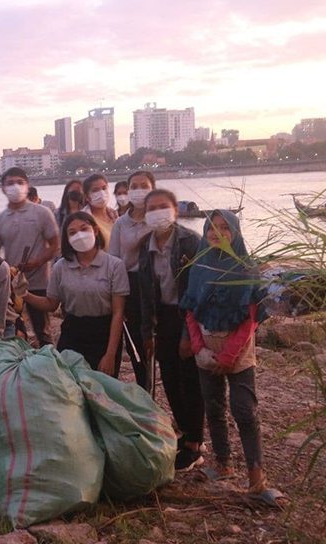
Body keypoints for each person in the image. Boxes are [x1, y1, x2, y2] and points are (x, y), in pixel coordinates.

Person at [180, 211, 281, 502]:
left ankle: (256, 475)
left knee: (244, 411)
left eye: (225, 228)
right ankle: (223, 463)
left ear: (235, 233)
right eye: (212, 228)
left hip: (238, 351)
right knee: (213, 406)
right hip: (206, 346)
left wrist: (229, 354)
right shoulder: (199, 266)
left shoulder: (245, 268)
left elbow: (250, 319)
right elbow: (190, 308)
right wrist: (199, 346)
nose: (217, 233)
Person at [138, 189, 205, 471]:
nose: (157, 212)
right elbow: (144, 292)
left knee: (189, 379)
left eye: (163, 206)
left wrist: (189, 334)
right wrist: (147, 331)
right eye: (151, 208)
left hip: (187, 314)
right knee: (168, 377)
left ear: (175, 209)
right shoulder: (145, 245)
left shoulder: (191, 241)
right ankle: (185, 433)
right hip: (163, 317)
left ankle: (195, 444)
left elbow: (198, 287)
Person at [25, 212, 128, 376]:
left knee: (103, 391)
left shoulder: (114, 266)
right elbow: (51, 304)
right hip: (72, 332)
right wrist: (24, 294)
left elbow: (118, 313)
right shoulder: (60, 267)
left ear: (94, 230)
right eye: (72, 232)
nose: (79, 235)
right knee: (69, 387)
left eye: (84, 229)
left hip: (103, 333)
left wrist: (110, 354)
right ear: (67, 238)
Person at [0, 167, 60, 347]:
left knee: (42, 331)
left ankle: (50, 365)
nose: (15, 187)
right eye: (10, 183)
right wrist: (6, 272)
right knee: (12, 330)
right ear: (3, 189)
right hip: (11, 284)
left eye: (20, 182)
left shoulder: (42, 213)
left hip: (38, 282)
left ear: (27, 186)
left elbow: (55, 245)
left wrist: (36, 262)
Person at [108, 170, 155, 390]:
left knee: (160, 345)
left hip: (157, 287)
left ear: (153, 188)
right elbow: (114, 262)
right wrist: (118, 299)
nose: (138, 191)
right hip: (130, 287)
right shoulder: (120, 224)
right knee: (137, 346)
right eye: (133, 187)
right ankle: (145, 394)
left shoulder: (159, 219)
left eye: (143, 185)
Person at [82, 173, 118, 245]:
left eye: (104, 188)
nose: (102, 193)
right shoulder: (84, 219)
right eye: (95, 190)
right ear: (87, 196)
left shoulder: (114, 214)